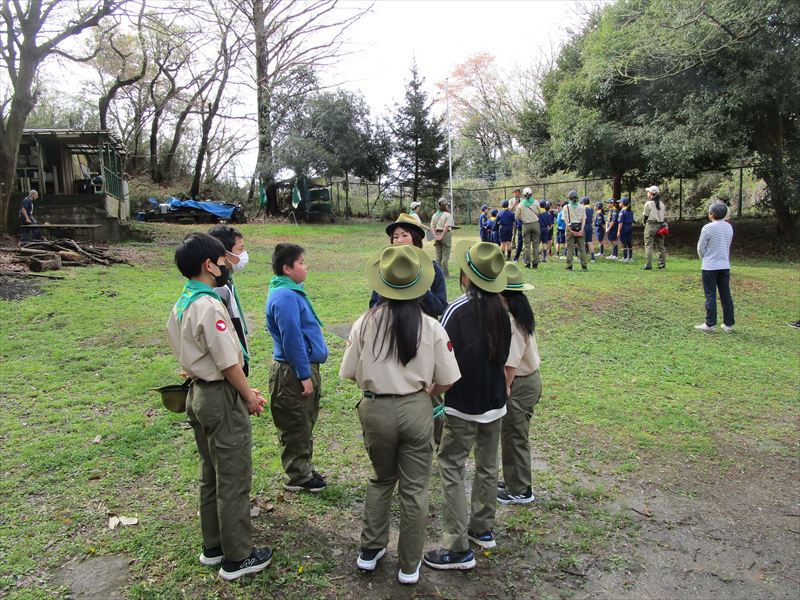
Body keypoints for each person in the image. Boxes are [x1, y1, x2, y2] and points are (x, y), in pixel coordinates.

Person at [342, 244, 461, 585]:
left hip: (375, 408)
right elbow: (448, 379)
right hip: (417, 408)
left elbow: (350, 372)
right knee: (414, 489)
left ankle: (370, 549)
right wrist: (426, 394)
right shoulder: (432, 327)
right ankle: (409, 565)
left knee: (381, 478)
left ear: (382, 283)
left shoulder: (364, 323)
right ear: (419, 283)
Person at [166, 233, 272, 581]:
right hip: (219, 396)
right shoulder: (210, 305)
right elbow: (229, 364)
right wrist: (249, 395)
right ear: (208, 265)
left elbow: (187, 352)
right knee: (233, 478)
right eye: (222, 259)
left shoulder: (183, 302)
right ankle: (238, 557)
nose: (227, 264)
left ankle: (213, 547)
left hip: (197, 394)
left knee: (210, 474)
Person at [424, 240, 511, 571]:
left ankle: (456, 545)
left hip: (461, 406)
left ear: (465, 276)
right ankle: (482, 527)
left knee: (452, 467)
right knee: (488, 466)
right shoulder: (503, 311)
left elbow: (440, 357)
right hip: (495, 404)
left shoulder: (456, 310)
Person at [266, 243, 329, 493]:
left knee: (304, 419)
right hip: (293, 371)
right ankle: (298, 475)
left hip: (301, 367)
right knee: (295, 422)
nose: (306, 266)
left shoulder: (290, 291)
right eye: (301, 262)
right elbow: (292, 339)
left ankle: (302, 466)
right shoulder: (285, 297)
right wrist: (304, 375)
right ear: (287, 268)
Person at [497, 263, 541, 505]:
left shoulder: (512, 322)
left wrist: (503, 390)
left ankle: (520, 490)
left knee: (515, 436)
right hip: (529, 381)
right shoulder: (520, 313)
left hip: (520, 384)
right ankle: (514, 480)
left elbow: (510, 365)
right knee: (514, 434)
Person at [370, 214, 447, 318]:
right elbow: (372, 308)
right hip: (390, 328)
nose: (399, 240)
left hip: (424, 329)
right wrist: (385, 294)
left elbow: (441, 308)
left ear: (415, 239)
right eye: (395, 237)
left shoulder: (433, 269)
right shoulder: (384, 269)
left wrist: (422, 288)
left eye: (405, 235)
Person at [208, 225, 251, 376]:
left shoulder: (227, 282)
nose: (244, 254)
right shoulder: (218, 289)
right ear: (225, 254)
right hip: (229, 371)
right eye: (240, 249)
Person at [695, 202, 735, 333]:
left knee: (710, 295)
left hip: (710, 266)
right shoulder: (729, 227)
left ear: (712, 214)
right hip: (724, 265)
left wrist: (704, 258)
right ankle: (728, 324)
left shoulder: (708, 228)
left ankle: (710, 323)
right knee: (725, 294)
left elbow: (701, 247)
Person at [642, 185, 667, 270]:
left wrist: (645, 223)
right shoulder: (662, 204)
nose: (647, 193)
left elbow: (645, 216)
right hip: (660, 226)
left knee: (648, 245)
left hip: (651, 225)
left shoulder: (648, 204)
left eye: (648, 192)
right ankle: (661, 265)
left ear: (651, 194)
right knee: (660, 246)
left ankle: (648, 265)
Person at [515, 187, 541, 269]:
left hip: (526, 225)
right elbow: (539, 212)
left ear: (523, 195)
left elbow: (517, 216)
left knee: (526, 245)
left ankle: (527, 263)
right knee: (535, 245)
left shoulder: (521, 204)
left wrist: (523, 218)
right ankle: (536, 263)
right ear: (531, 194)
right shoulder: (536, 202)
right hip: (535, 224)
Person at [563, 190, 588, 271]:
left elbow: (566, 220)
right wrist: (581, 230)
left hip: (570, 229)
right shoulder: (582, 207)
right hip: (580, 227)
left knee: (570, 248)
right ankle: (584, 267)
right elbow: (584, 219)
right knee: (582, 248)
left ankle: (569, 266)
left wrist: (571, 230)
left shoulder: (566, 207)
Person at [431, 198, 454, 277]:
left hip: (436, 234)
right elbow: (447, 227)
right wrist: (442, 237)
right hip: (445, 235)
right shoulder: (447, 215)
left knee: (438, 256)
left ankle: (437, 273)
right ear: (444, 205)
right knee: (445, 256)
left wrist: (434, 235)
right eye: (447, 204)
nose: (447, 206)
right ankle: (445, 274)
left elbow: (432, 226)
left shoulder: (434, 215)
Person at [617, 197, 635, 262]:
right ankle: (630, 257)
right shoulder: (630, 211)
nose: (619, 203)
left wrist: (618, 231)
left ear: (622, 204)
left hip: (624, 227)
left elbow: (620, 222)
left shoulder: (622, 211)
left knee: (624, 242)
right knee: (629, 242)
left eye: (620, 202)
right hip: (630, 227)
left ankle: (625, 258)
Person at [581, 196, 595, 261]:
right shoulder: (591, 209)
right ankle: (593, 258)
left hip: (584, 225)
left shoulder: (583, 209)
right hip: (590, 225)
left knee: (582, 241)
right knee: (590, 241)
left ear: (583, 202)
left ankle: (583, 257)